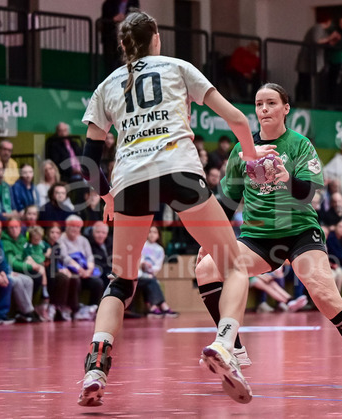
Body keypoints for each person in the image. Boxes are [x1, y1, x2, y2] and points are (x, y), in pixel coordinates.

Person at [77, 10, 273, 407]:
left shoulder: (106, 86)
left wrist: (107, 196)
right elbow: (237, 119)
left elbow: (87, 161)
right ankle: (224, 344)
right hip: (179, 172)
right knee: (233, 265)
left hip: (130, 180)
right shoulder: (176, 67)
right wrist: (251, 156)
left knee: (122, 282)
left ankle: (96, 367)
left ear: (123, 46)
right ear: (156, 38)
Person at [195, 83, 342, 394]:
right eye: (259, 104)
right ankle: (234, 349)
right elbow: (227, 202)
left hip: (300, 233)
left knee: (326, 297)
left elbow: (308, 194)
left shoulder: (300, 145)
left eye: (271, 103)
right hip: (258, 238)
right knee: (206, 268)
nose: (264, 109)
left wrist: (287, 179)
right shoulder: (241, 150)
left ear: (285, 108)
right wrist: (208, 238)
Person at [136, 225, 179, 317]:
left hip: (150, 274)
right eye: (150, 232)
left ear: (158, 235)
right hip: (139, 274)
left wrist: (150, 270)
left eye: (155, 232)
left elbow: (157, 267)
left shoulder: (159, 249)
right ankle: (163, 306)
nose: (152, 234)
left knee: (152, 280)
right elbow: (138, 261)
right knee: (152, 281)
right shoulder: (142, 245)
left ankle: (153, 307)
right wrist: (143, 264)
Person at [295, 14, 336, 104]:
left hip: (315, 62)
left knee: (311, 83)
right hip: (308, 61)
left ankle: (312, 101)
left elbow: (326, 42)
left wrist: (333, 39)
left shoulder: (324, 31)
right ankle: (302, 102)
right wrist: (330, 37)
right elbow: (317, 40)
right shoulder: (317, 28)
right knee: (304, 83)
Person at [100, 0, 139, 74]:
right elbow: (103, 21)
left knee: (127, 63)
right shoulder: (108, 4)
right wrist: (113, 19)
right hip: (111, 41)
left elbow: (136, 18)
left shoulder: (133, 2)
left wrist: (126, 19)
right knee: (111, 65)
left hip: (128, 39)